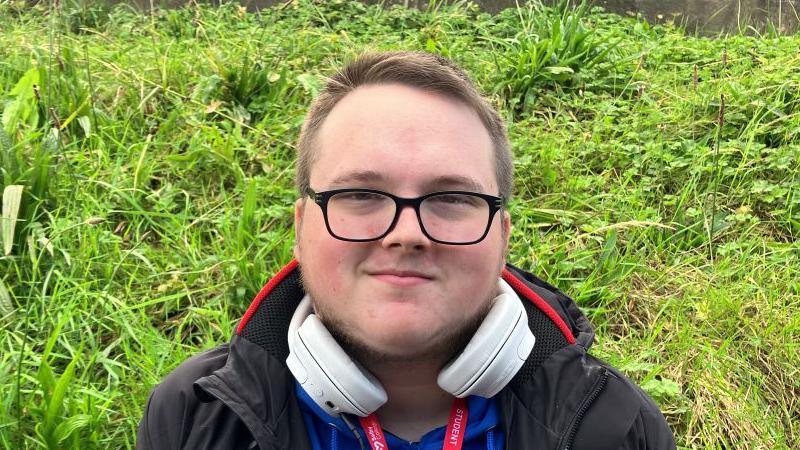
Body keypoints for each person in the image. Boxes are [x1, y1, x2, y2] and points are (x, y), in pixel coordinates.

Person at [137, 51, 675, 450]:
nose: (407, 234)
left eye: (452, 197)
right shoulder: (191, 418)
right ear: (302, 228)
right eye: (361, 194)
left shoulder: (617, 426)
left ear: (502, 236)